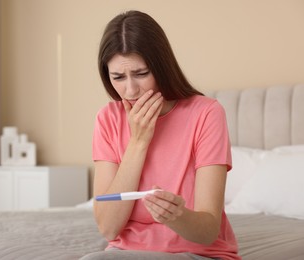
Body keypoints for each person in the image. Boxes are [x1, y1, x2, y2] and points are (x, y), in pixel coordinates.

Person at [84, 10, 240, 260]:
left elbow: (209, 231)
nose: (131, 90)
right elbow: (108, 228)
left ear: (161, 66)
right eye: (118, 77)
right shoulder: (108, 119)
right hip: (125, 253)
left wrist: (178, 216)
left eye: (141, 73)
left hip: (197, 252)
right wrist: (138, 142)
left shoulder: (206, 113)